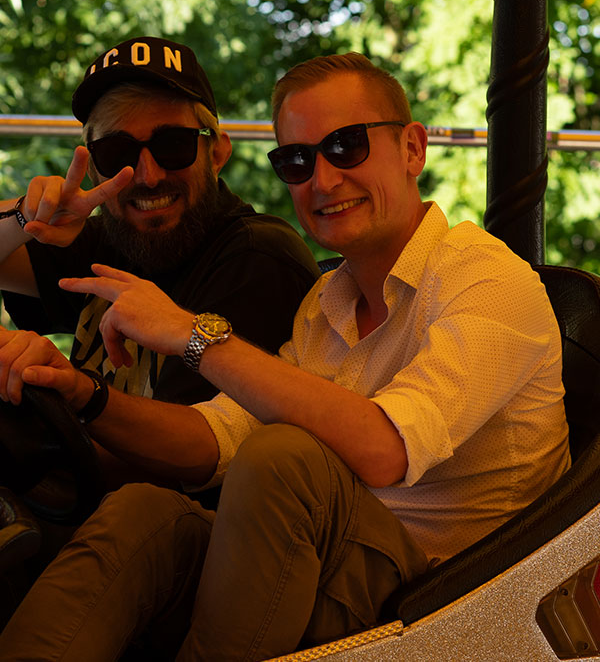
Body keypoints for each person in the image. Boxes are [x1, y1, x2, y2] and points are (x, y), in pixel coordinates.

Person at [0, 52, 570, 662]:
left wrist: (191, 334)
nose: (323, 181)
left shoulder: (485, 278)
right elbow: (222, 437)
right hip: (322, 569)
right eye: (297, 161)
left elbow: (385, 447)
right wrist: (85, 396)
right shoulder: (327, 301)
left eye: (346, 147)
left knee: (286, 456)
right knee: (147, 511)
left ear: (412, 148)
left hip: (447, 608)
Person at [0, 35, 319, 490]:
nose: (148, 175)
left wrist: (61, 396)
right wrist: (24, 216)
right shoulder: (111, 240)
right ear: (95, 171)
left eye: (173, 145)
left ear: (218, 153)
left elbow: (193, 455)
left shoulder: (254, 259)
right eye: (117, 154)